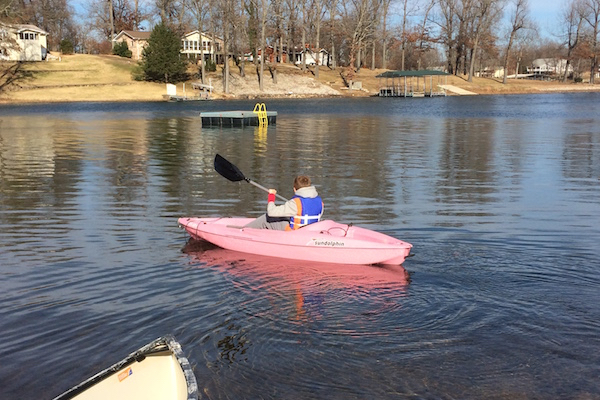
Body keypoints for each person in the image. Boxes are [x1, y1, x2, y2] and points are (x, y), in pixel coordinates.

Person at [244, 175, 324, 230]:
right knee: (284, 217)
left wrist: (271, 196)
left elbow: (271, 212)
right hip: (310, 232)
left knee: (267, 218)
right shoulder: (320, 202)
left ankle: (243, 231)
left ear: (294, 189)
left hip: (295, 233)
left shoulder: (295, 203)